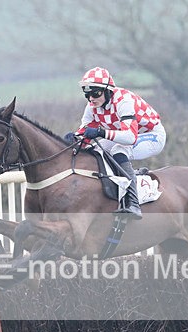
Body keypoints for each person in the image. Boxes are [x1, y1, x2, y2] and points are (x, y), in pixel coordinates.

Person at [72, 67, 166, 219]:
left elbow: (130, 137)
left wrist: (101, 132)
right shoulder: (92, 107)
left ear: (108, 91)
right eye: (87, 94)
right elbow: (84, 133)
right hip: (125, 136)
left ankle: (133, 203)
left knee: (118, 150)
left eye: (95, 93)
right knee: (95, 150)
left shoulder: (123, 101)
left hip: (151, 135)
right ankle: (122, 181)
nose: (91, 99)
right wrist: (73, 139)